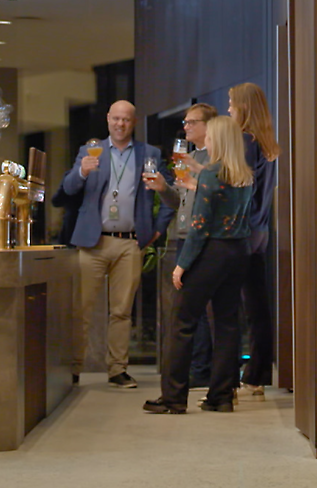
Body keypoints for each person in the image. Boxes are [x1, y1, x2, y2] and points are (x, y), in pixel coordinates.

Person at [143, 116, 254, 414]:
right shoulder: (243, 174)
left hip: (211, 252)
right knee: (228, 323)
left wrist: (182, 265)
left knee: (181, 321)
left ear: (219, 139)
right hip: (238, 251)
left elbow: (200, 226)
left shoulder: (211, 175)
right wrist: (197, 173)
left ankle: (173, 398)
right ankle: (221, 395)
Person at [61, 100, 174, 389]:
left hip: (130, 243)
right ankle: (73, 368)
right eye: (116, 119)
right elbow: (69, 189)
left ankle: (117, 369)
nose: (120, 124)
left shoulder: (149, 153)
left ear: (133, 122)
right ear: (108, 120)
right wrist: (82, 171)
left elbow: (168, 195)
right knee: (82, 309)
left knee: (122, 311)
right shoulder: (90, 151)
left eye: (126, 120)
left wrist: (157, 230)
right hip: (92, 241)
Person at [147, 102, 218, 388]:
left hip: (206, 238)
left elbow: (214, 194)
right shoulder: (185, 157)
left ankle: (205, 370)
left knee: (204, 309)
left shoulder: (216, 159)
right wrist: (164, 189)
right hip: (183, 235)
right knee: (187, 309)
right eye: (185, 123)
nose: (186, 127)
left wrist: (192, 181)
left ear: (207, 126)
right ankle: (194, 368)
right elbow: (179, 201)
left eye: (192, 122)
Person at [228, 82, 280, 399]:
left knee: (231, 308)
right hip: (260, 232)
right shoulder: (266, 143)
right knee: (258, 306)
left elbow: (238, 190)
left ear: (244, 107)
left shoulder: (245, 142)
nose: (229, 110)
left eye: (232, 104)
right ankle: (257, 374)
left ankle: (233, 377)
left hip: (241, 232)